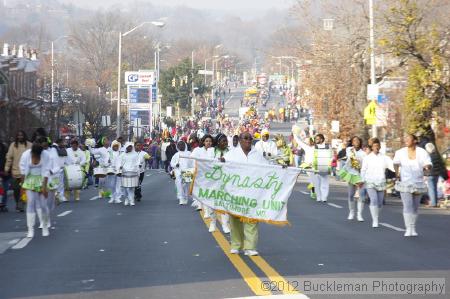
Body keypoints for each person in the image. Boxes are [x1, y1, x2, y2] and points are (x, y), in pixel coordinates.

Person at [223, 131, 268, 256]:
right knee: (235, 220)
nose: (248, 140)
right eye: (245, 138)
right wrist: (221, 162)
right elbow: (222, 168)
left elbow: (267, 169)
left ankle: (250, 247)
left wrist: (282, 169)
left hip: (252, 194)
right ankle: (236, 245)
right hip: (235, 193)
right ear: (240, 140)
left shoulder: (257, 155)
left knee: (251, 220)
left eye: (250, 138)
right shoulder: (231, 154)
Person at [393, 134, 432, 237]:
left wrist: (427, 167)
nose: (406, 140)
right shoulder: (400, 152)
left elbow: (427, 163)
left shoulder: (422, 152)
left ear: (415, 141)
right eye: (405, 138)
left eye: (408, 138)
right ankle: (408, 228)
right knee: (407, 205)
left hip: (418, 182)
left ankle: (413, 227)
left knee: (415, 207)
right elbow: (395, 163)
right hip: (405, 182)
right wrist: (397, 174)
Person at [19, 141, 50, 238]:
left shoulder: (45, 155)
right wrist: (22, 186)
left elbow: (46, 171)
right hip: (29, 179)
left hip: (41, 179)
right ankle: (30, 229)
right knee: (31, 202)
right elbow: (23, 171)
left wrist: (44, 188)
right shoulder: (25, 155)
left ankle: (45, 227)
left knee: (43, 204)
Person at [361, 138, 393, 228]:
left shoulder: (384, 157)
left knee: (380, 203)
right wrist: (362, 180)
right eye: (375, 146)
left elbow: (390, 167)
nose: (376, 148)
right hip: (370, 181)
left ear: (380, 147)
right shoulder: (367, 158)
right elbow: (363, 170)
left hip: (381, 181)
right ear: (372, 147)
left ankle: (376, 216)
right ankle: (375, 220)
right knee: (374, 200)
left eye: (378, 146)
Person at [339, 136, 366, 221]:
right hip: (350, 173)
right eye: (354, 141)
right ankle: (351, 212)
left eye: (358, 141)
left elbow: (364, 164)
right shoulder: (349, 150)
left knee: (361, 195)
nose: (356, 142)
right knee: (351, 195)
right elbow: (344, 157)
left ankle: (359, 215)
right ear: (352, 142)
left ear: (360, 142)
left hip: (359, 174)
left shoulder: (363, 153)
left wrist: (359, 163)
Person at [208, 134, 231, 233]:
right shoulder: (211, 151)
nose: (225, 143)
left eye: (226, 141)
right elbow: (207, 164)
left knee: (225, 203)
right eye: (223, 141)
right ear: (218, 142)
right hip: (212, 181)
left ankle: (225, 224)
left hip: (225, 181)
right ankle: (213, 223)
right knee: (211, 204)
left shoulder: (230, 152)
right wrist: (218, 161)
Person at [4, 131, 32, 212]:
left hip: (27, 172)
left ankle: (21, 204)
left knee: (24, 189)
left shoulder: (30, 145)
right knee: (16, 189)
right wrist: (6, 169)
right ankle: (18, 202)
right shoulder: (13, 145)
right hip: (15, 171)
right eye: (19, 135)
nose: (20, 137)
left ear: (24, 136)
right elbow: (9, 158)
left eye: (22, 135)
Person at [191, 134, 215, 212]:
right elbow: (192, 159)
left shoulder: (214, 150)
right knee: (200, 190)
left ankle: (208, 209)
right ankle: (200, 205)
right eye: (207, 141)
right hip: (200, 174)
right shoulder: (197, 150)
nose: (208, 143)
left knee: (208, 191)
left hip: (210, 174)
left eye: (210, 141)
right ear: (203, 142)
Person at [424, 143, 448, 207]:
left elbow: (427, 166)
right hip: (436, 174)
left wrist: (425, 173)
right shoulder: (437, 156)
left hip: (430, 174)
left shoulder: (428, 156)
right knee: (434, 188)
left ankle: (433, 203)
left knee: (431, 189)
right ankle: (435, 202)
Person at [170, 141, 193, 205]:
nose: (181, 146)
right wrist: (175, 165)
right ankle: (181, 198)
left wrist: (193, 169)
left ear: (185, 145)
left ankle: (185, 197)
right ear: (177, 146)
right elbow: (172, 163)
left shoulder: (189, 153)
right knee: (179, 185)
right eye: (179, 145)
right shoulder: (176, 154)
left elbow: (193, 162)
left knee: (185, 185)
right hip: (178, 172)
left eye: (182, 145)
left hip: (187, 171)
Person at [117, 142, 140, 206]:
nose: (129, 148)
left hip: (133, 172)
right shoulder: (122, 155)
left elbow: (137, 163)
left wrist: (137, 170)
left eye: (130, 146)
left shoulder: (135, 154)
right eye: (128, 147)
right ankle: (126, 198)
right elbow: (119, 162)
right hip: (124, 172)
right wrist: (120, 166)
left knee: (131, 188)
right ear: (126, 147)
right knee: (125, 188)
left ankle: (131, 200)